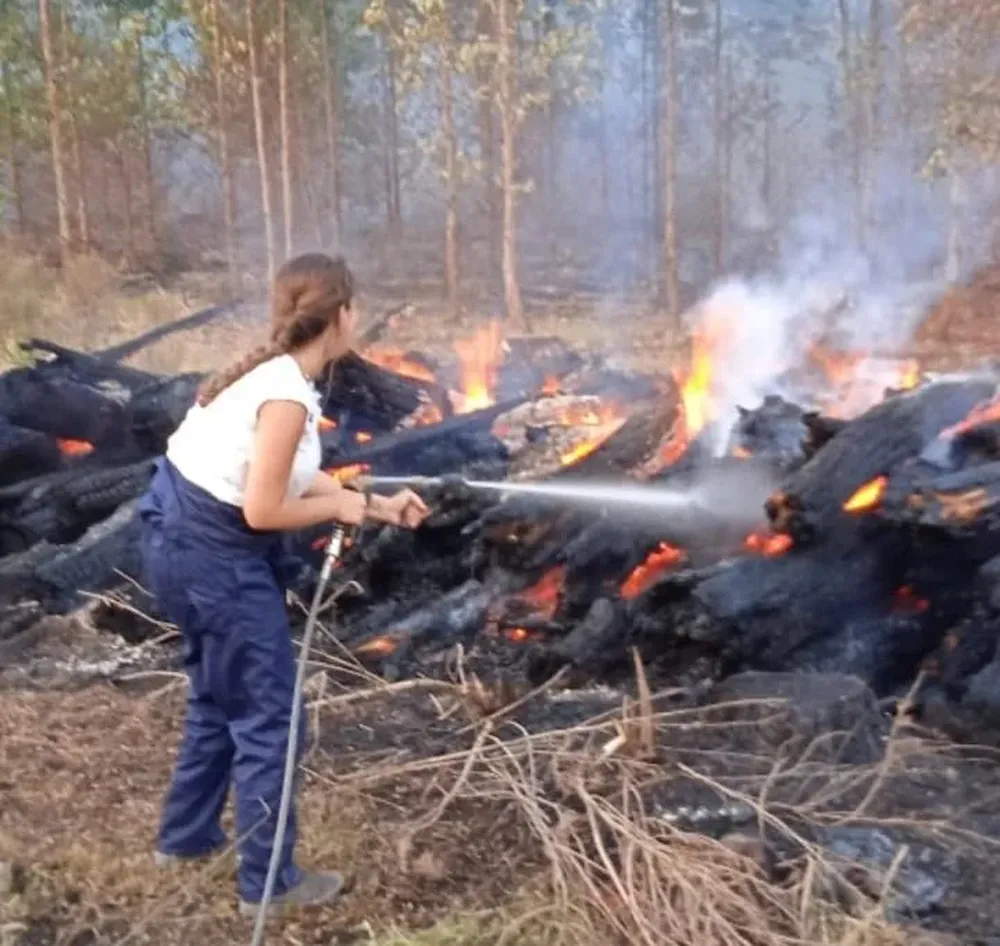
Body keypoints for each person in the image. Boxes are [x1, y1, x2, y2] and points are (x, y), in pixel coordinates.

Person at [136, 253, 429, 918]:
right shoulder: (287, 395)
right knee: (273, 718)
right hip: (213, 555)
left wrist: (372, 504)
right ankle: (268, 885)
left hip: (181, 540)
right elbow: (264, 511)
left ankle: (184, 840)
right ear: (343, 316)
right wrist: (338, 507)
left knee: (218, 696)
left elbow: (281, 481)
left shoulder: (270, 375)